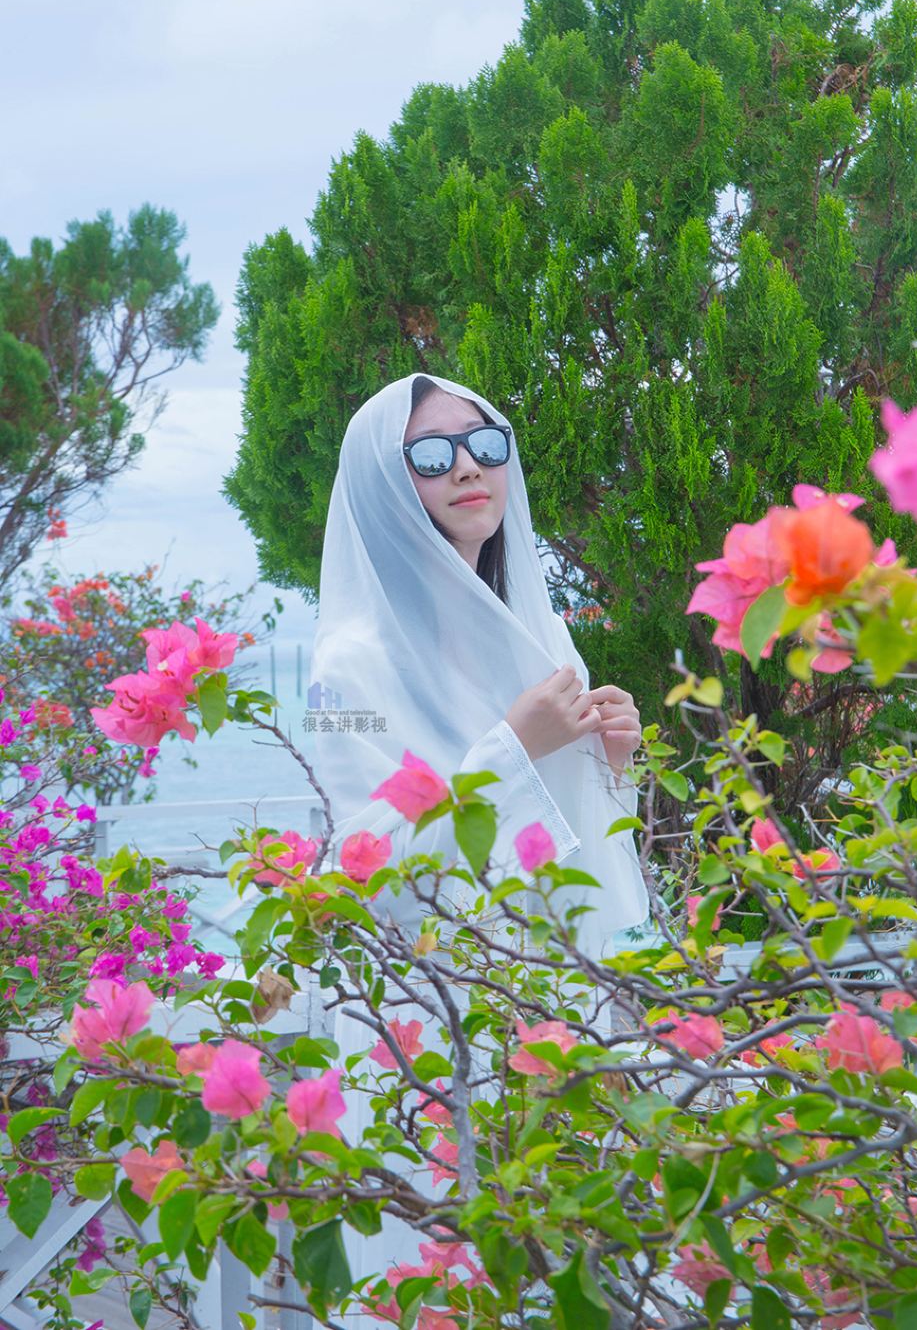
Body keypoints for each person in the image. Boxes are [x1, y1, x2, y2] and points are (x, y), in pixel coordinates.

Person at [306, 370, 650, 1309]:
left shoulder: (539, 635)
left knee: (578, 1270)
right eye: (431, 455)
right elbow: (360, 861)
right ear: (387, 481)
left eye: (484, 444)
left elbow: (584, 835)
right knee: (454, 1282)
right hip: (437, 1021)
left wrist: (612, 758)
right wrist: (513, 747)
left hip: (556, 1000)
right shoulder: (347, 667)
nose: (467, 467)